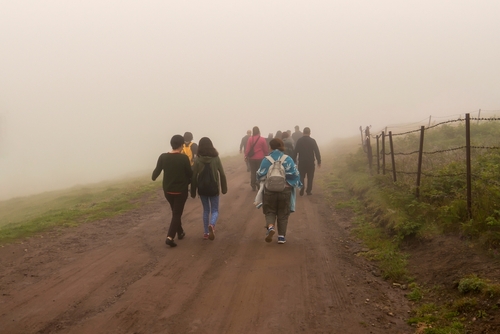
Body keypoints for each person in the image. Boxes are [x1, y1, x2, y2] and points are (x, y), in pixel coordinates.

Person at [256, 138, 302, 244]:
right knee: (283, 213)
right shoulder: (288, 159)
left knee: (270, 211)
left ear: (270, 147)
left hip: (269, 190)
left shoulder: (266, 159)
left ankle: (271, 227)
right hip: (284, 190)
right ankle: (281, 237)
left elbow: (260, 174)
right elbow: (295, 174)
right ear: (281, 146)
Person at [152, 134, 193, 247]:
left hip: (168, 191)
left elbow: (155, 174)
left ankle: (180, 232)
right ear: (181, 145)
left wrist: (155, 176)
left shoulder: (163, 157)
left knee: (175, 212)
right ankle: (170, 237)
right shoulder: (183, 158)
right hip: (181, 191)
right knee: (177, 213)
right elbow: (190, 174)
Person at [191, 137, 228, 240]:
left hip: (202, 188)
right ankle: (212, 225)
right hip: (213, 188)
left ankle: (206, 233)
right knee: (215, 210)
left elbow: (193, 177)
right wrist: (224, 188)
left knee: (206, 210)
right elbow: (222, 174)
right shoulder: (216, 158)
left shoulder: (197, 160)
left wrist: (193, 192)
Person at [294, 127, 321, 196]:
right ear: (310, 133)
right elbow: (316, 151)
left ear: (303, 133)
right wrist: (319, 161)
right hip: (310, 162)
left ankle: (302, 186)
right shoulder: (312, 141)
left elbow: (295, 151)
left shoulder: (299, 140)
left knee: (301, 176)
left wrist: (293, 160)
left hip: (302, 161)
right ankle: (308, 191)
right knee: (310, 177)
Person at [245, 126, 269, 191]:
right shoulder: (262, 139)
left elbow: (247, 149)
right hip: (260, 158)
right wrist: (267, 155)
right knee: (260, 171)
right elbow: (265, 149)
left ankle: (253, 185)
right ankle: (259, 183)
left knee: (253, 172)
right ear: (259, 131)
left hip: (252, 158)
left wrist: (246, 156)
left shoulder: (250, 139)